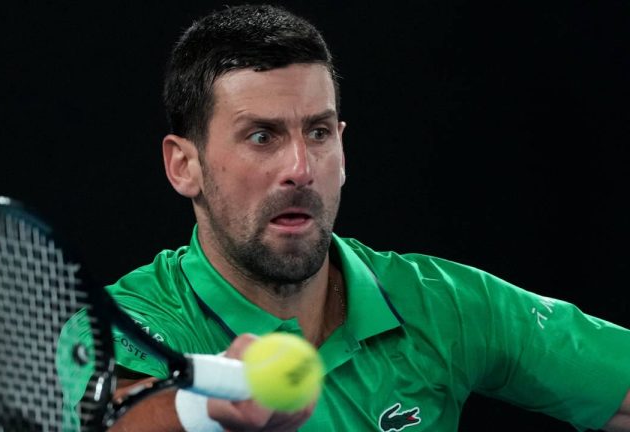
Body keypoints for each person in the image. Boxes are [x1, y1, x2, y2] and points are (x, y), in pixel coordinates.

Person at [60, 4, 630, 431]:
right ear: (184, 165)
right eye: (262, 136)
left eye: (319, 132)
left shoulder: (442, 303)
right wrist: (203, 408)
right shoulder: (121, 323)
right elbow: (112, 417)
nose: (301, 168)